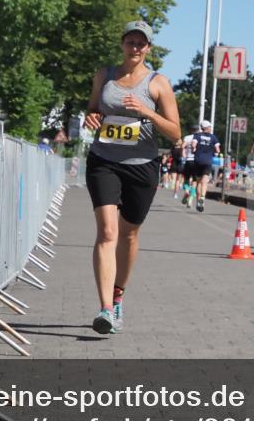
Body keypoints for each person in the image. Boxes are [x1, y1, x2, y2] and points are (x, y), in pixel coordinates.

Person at [83, 21, 181, 334]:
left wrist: (147, 112)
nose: (135, 48)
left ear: (148, 48)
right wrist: (91, 116)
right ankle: (105, 310)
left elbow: (176, 133)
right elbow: (93, 110)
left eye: (141, 43)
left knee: (128, 235)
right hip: (104, 160)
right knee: (107, 232)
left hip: (143, 164)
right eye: (130, 42)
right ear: (122, 44)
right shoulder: (105, 75)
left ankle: (118, 294)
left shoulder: (158, 83)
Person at [187, 120, 221, 212]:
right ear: (207, 127)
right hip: (207, 161)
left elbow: (193, 145)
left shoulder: (197, 135)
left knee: (198, 182)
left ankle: (198, 201)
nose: (211, 128)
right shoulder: (213, 137)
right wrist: (215, 152)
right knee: (204, 181)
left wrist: (194, 149)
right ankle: (202, 197)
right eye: (210, 126)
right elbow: (217, 150)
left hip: (198, 160)